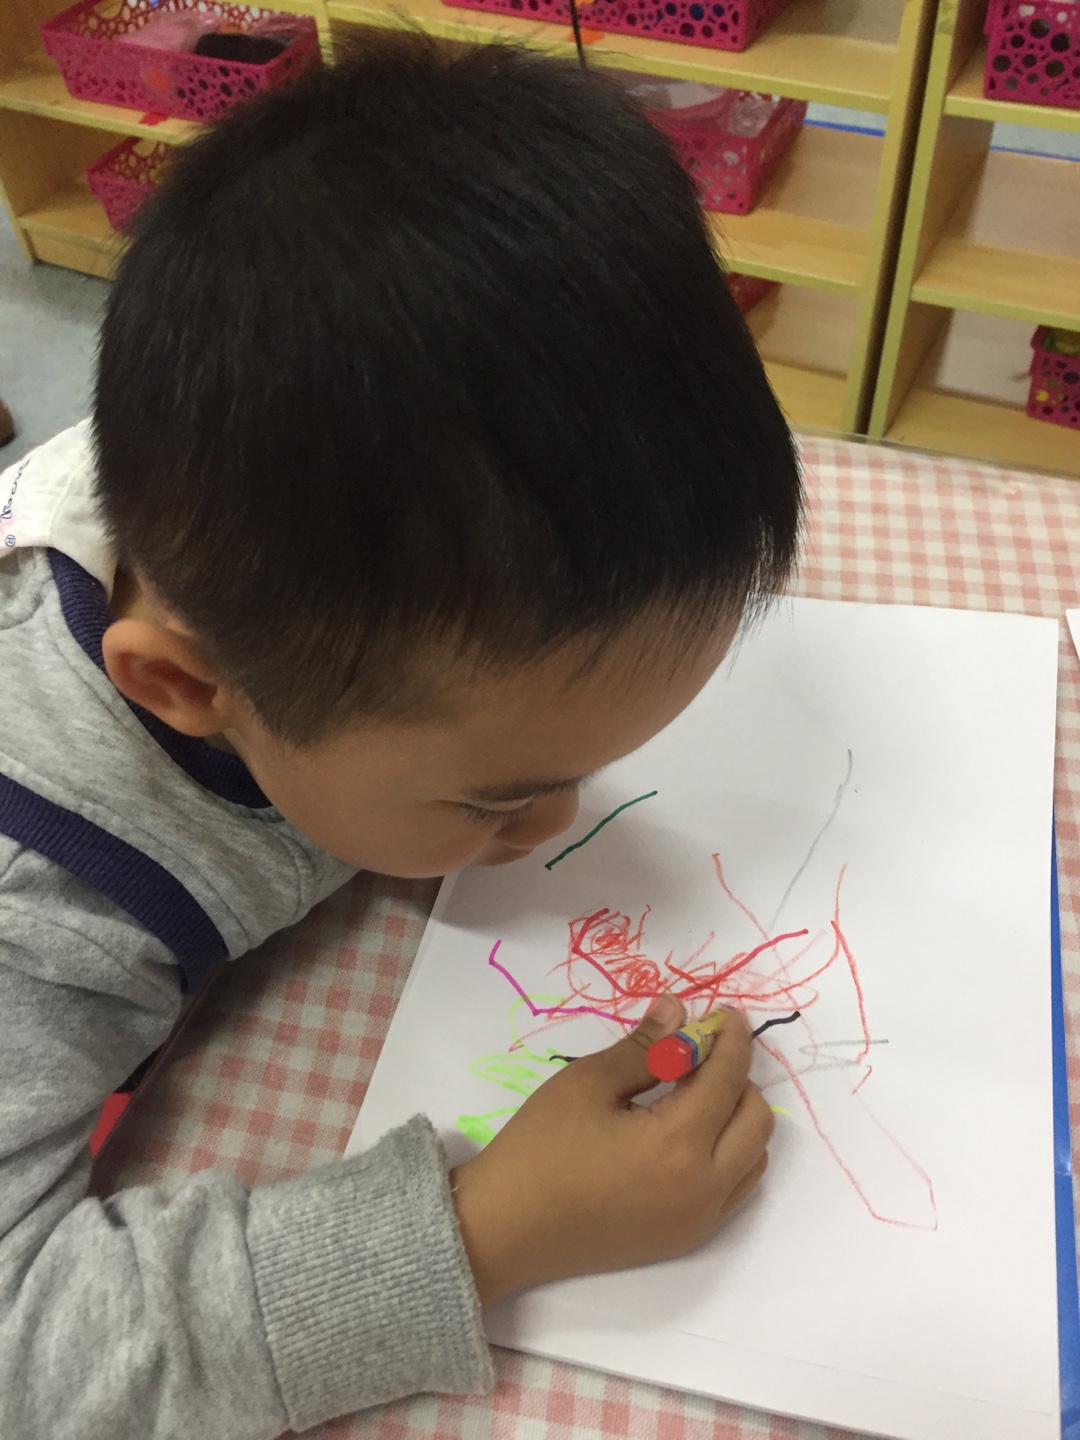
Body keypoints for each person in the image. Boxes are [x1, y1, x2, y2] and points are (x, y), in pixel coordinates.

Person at [0, 33, 801, 1440]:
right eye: (498, 799)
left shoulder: (272, 518)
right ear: (185, 690)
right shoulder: (45, 895)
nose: (561, 828)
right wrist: (488, 1232)